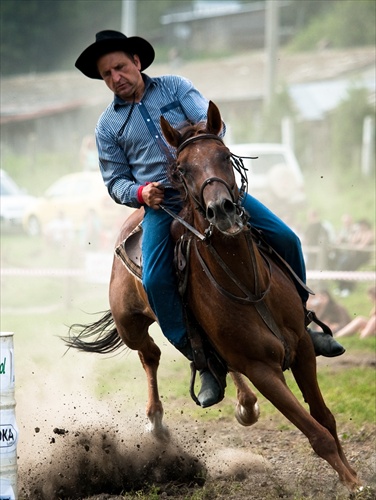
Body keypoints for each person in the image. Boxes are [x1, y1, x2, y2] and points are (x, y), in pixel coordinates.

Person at [75, 30, 344, 408]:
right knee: (154, 279)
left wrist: (202, 158)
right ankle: (203, 361)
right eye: (106, 74)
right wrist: (140, 193)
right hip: (163, 203)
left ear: (136, 62)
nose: (115, 77)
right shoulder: (108, 126)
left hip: (209, 184)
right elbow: (114, 181)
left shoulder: (176, 87)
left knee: (287, 238)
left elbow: (212, 123)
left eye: (119, 67)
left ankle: (304, 324)